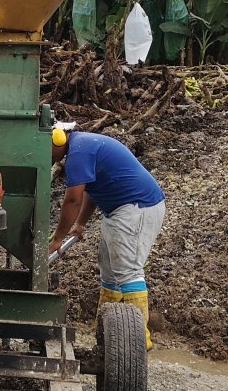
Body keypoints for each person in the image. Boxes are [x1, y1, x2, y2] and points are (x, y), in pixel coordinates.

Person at [47, 125, 166, 350]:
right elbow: (91, 191)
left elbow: (73, 199)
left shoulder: (78, 152)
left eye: (48, 151)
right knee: (110, 271)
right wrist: (80, 224)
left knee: (128, 271)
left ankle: (138, 341)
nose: (49, 158)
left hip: (136, 207)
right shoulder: (82, 146)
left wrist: (57, 239)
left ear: (59, 139)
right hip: (119, 209)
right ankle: (106, 333)